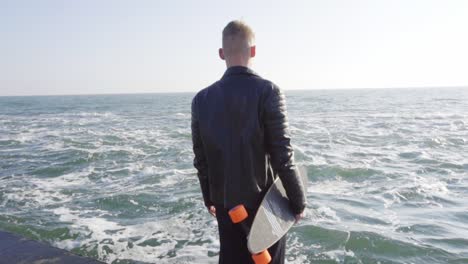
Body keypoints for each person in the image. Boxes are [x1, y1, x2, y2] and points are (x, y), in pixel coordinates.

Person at [191, 20, 306, 264]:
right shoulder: (269, 92)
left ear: (221, 54)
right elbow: (283, 155)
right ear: (253, 51)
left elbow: (201, 160)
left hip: (226, 205)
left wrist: (209, 199)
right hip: (265, 207)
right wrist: (298, 202)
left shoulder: (201, 100)